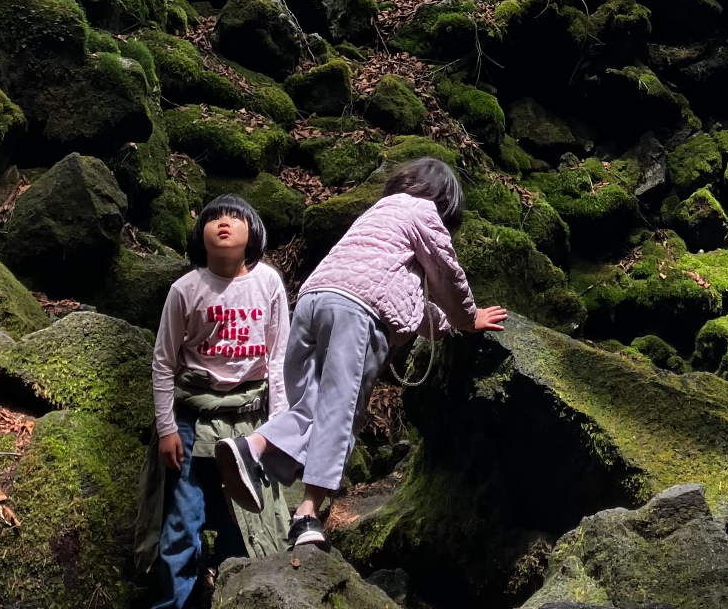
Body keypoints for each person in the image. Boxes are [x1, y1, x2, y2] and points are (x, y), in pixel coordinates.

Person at [214, 157, 508, 550]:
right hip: (356, 314)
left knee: (309, 406)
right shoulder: (422, 211)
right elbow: (446, 273)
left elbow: (404, 292)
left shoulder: (377, 215)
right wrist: (469, 318)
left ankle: (251, 448)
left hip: (312, 303)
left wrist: (444, 324)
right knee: (342, 409)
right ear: (443, 200)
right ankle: (306, 516)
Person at [135, 194, 292, 609]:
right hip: (192, 418)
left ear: (253, 232)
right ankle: (175, 603)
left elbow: (277, 359)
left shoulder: (268, 283)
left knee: (243, 525)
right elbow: (164, 361)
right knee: (182, 524)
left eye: (235, 217)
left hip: (249, 420)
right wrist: (167, 428)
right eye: (214, 218)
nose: (224, 223)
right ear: (200, 235)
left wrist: (276, 426)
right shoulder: (185, 289)